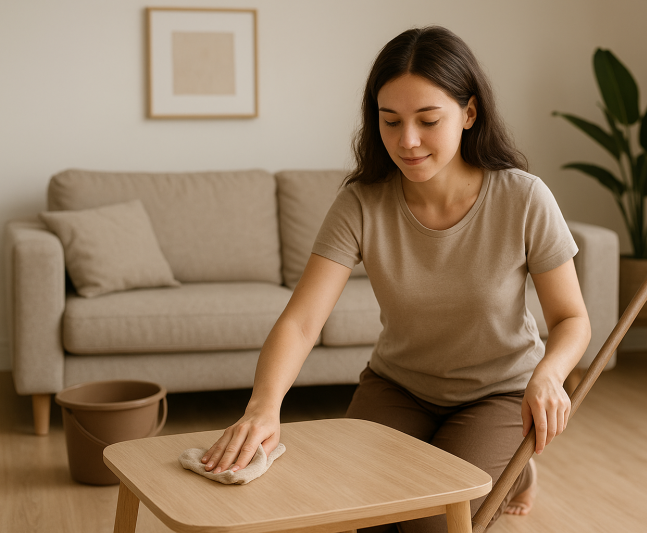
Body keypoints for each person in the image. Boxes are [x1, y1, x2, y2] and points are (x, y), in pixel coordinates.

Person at [201, 26, 591, 532]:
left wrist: (549, 374)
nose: (407, 141)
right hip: (399, 386)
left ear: (469, 114)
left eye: (428, 120)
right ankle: (498, 466)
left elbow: (571, 318)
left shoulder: (523, 197)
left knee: (429, 524)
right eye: (391, 122)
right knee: (369, 518)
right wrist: (263, 407)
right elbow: (301, 322)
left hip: (498, 394)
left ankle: (514, 469)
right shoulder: (362, 203)